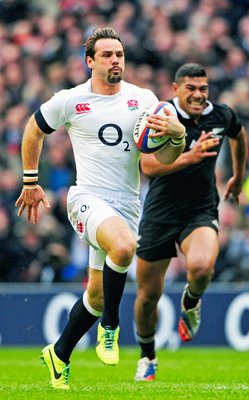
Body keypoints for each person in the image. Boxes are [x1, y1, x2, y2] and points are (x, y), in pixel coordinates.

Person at [15, 27, 186, 390]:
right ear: (90, 61)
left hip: (127, 203)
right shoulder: (71, 100)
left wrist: (177, 135)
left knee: (95, 294)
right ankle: (110, 326)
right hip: (87, 199)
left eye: (119, 54)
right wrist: (30, 181)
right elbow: (33, 129)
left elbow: (163, 157)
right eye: (107, 55)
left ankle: (58, 354)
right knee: (124, 247)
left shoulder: (144, 100)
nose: (115, 61)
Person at [134, 63, 248, 381]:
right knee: (147, 297)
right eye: (191, 88)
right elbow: (148, 167)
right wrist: (190, 156)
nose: (198, 95)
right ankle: (147, 357)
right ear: (175, 89)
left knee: (200, 267)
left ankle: (191, 300)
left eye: (203, 89)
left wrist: (238, 176)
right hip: (160, 212)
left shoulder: (221, 116)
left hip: (200, 209)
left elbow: (239, 135)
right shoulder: (161, 117)